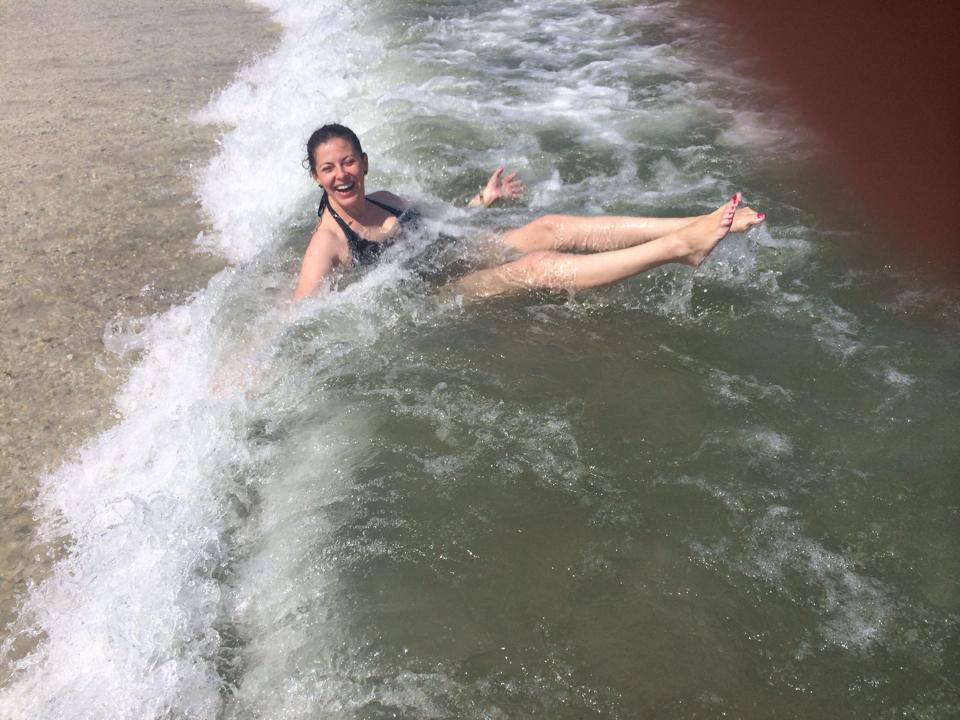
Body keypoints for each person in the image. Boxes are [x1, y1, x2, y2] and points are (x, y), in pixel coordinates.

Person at [293, 123, 764, 300]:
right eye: (328, 168)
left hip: (460, 254)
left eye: (348, 162)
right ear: (317, 177)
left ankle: (697, 224)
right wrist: (257, 359)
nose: (341, 174)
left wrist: (482, 200)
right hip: (441, 292)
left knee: (550, 226)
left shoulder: (386, 198)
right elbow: (301, 312)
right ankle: (679, 249)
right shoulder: (327, 242)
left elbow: (446, 220)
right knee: (536, 266)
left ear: (364, 162)